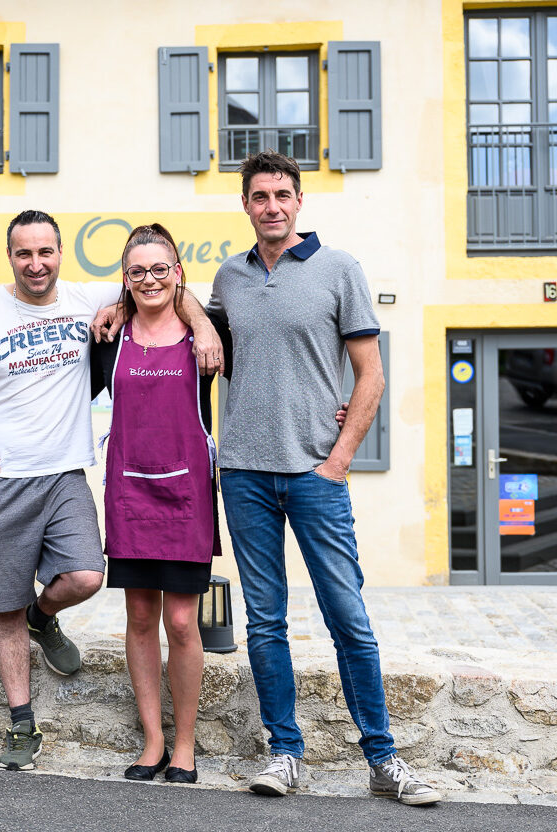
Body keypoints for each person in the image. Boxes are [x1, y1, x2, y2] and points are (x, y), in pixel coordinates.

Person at [0, 210, 222, 772]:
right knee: (4, 609)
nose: (36, 264)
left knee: (85, 576)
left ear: (60, 252)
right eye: (24, 254)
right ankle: (22, 725)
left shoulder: (86, 300)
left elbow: (164, 283)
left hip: (65, 475)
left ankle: (43, 614)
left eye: (45, 252)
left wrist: (200, 321)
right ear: (11, 257)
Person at [205, 151, 442, 805]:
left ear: (299, 200)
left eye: (282, 194)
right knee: (264, 621)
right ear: (246, 205)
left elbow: (371, 374)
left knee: (348, 617)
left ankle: (383, 758)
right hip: (246, 472)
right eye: (259, 196)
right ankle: (285, 754)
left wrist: (338, 459)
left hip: (315, 473)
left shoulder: (341, 270)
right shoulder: (228, 278)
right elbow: (197, 332)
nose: (272, 206)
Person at [90, 225, 221, 785]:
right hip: (129, 491)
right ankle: (152, 741)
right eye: (137, 271)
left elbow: (275, 372)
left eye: (160, 269)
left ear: (178, 273)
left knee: (183, 621)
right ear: (125, 278)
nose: (149, 279)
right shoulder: (107, 339)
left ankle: (186, 744)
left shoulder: (208, 339)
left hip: (186, 493)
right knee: (140, 617)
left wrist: (203, 318)